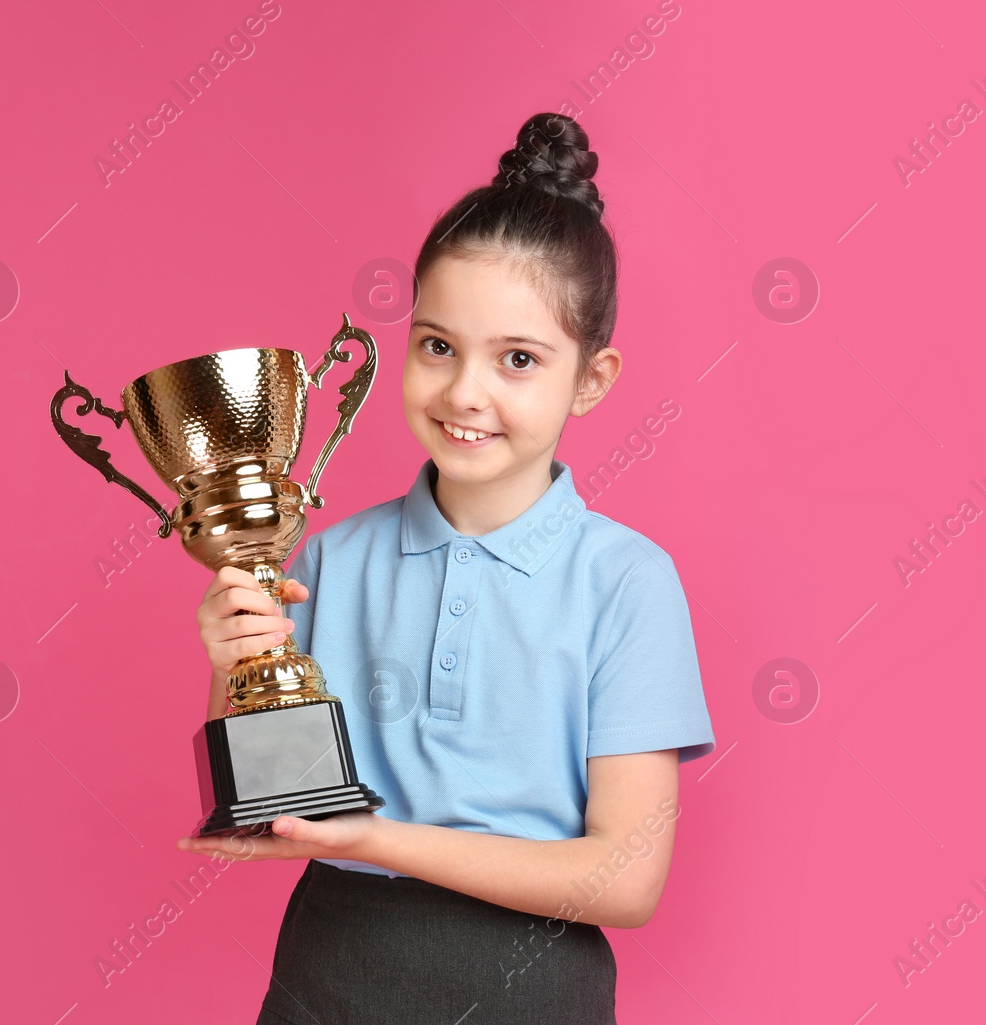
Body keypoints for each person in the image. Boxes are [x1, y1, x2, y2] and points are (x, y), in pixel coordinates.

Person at [177, 112, 716, 1024]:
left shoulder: (628, 583)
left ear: (591, 379)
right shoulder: (329, 560)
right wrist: (234, 666)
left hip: (534, 989)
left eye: (517, 359)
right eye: (438, 345)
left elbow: (625, 881)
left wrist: (377, 836)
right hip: (330, 975)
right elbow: (269, 806)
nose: (466, 392)